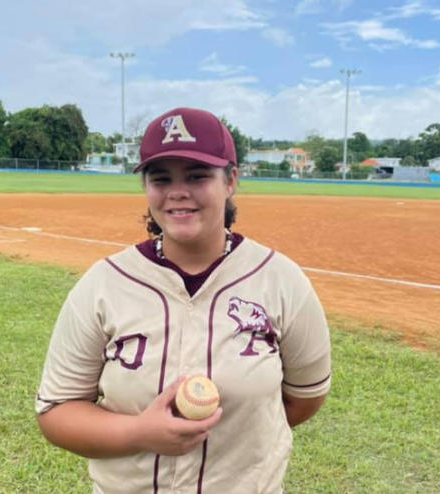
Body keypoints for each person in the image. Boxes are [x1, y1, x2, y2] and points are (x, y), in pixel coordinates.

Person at [35, 107, 332, 494]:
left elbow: (303, 399)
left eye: (197, 175)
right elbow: (58, 411)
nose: (177, 191)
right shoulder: (104, 284)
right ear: (146, 188)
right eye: (161, 178)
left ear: (231, 181)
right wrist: (139, 433)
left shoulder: (281, 280)